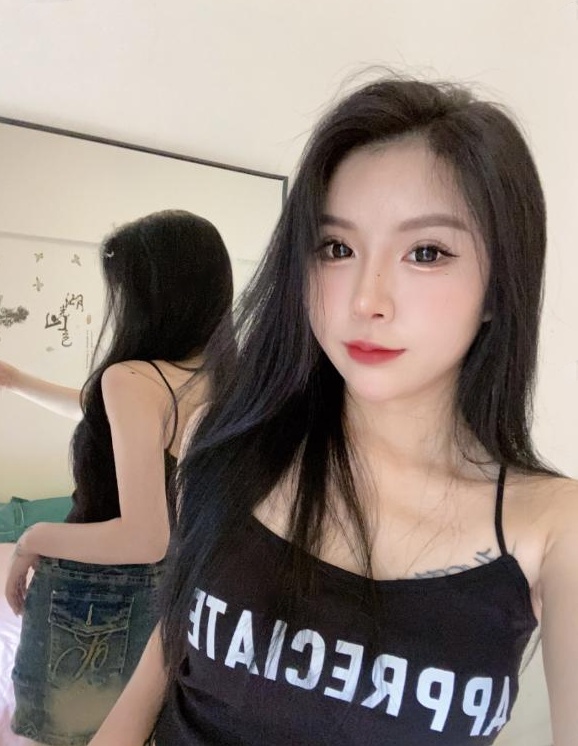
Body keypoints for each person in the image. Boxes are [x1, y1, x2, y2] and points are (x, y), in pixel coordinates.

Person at [90, 77, 578, 746]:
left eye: (426, 253)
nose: (366, 300)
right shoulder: (228, 445)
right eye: (337, 249)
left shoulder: (552, 528)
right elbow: (165, 661)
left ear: (499, 288)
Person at [0, 208, 234, 745]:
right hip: (178, 596)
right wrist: (15, 380)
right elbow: (106, 417)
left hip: (94, 598)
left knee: (64, 735)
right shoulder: (220, 375)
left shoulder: (130, 378)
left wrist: (31, 538)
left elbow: (145, 536)